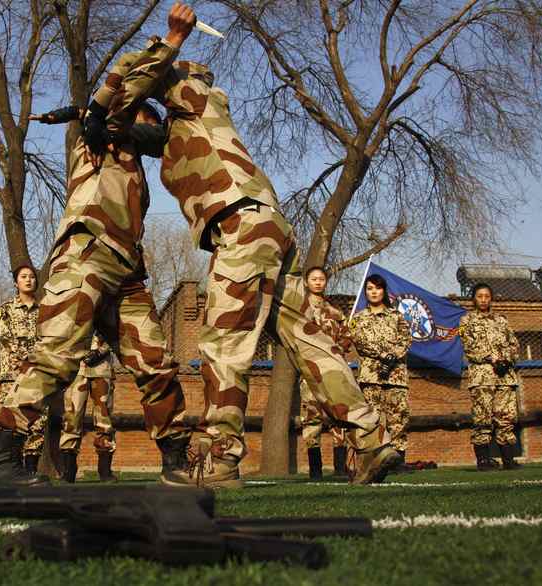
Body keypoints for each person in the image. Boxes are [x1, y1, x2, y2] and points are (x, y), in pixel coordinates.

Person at [90, 2, 400, 486]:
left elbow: (133, 88)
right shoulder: (181, 135)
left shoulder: (191, 96)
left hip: (242, 226)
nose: (133, 124)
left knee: (223, 342)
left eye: (140, 113)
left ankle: (222, 458)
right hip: (268, 228)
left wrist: (170, 42)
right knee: (306, 340)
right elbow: (136, 128)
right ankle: (371, 439)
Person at [0, 3, 198, 487]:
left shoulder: (137, 158)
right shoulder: (101, 133)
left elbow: (163, 140)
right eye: (147, 114)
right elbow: (124, 82)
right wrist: (173, 42)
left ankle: (175, 462)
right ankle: (1, 456)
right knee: (58, 355)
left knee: (156, 365)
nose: (153, 128)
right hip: (86, 256)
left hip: (126, 271)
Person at [349, 275, 412, 466]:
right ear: (365, 292)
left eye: (377, 288)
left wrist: (393, 355)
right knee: (372, 419)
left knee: (398, 416)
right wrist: (383, 354)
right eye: (369, 288)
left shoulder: (396, 316)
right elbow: (359, 341)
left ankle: (398, 460)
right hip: (371, 376)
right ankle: (375, 459)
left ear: (384, 291)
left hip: (396, 375)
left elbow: (406, 339)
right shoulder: (359, 318)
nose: (374, 292)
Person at [459, 283, 522, 470]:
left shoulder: (502, 321)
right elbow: (468, 346)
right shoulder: (466, 321)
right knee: (483, 418)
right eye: (480, 296)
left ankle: (509, 460)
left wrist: (505, 359)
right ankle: (484, 460)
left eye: (487, 296)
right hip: (482, 377)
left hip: (505, 376)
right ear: (474, 299)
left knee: (506, 417)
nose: (484, 299)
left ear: (491, 298)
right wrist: (491, 357)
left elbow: (514, 345)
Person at [0, 264, 48, 474]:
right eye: (23, 277)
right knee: (9, 417)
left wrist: (35, 360)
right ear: (16, 282)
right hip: (11, 373)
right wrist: (23, 357)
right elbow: (5, 337)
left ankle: (30, 469)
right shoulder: (4, 309)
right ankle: (8, 466)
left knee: (38, 420)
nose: (28, 280)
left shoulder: (44, 312)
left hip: (36, 372)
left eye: (32, 277)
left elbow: (47, 339)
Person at [297, 267, 351, 480]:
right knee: (311, 419)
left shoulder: (335, 311)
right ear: (307, 282)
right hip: (310, 373)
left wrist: (339, 348)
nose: (318, 282)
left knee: (338, 417)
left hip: (334, 373)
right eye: (314, 279)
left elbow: (347, 337)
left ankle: (339, 468)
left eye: (321, 279)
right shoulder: (299, 310)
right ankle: (315, 471)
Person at [59, 333, 118, 483]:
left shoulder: (107, 308)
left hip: (102, 366)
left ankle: (104, 470)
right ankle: (68, 470)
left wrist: (101, 350)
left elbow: (115, 328)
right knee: (71, 418)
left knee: (104, 419)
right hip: (75, 366)